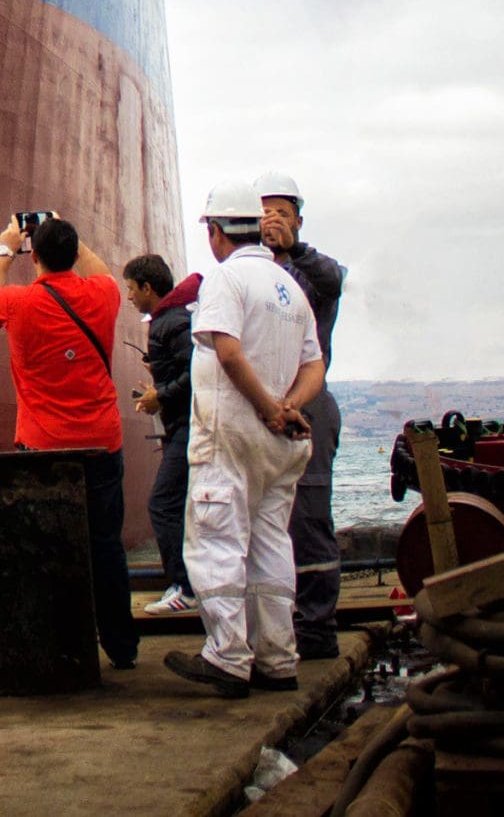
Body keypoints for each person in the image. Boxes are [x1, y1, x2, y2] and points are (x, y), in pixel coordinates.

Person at [164, 181, 325, 701]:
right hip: (280, 444)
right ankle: (278, 659)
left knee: (216, 542)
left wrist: (265, 408)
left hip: (231, 435)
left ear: (215, 232)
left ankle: (228, 656)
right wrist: (289, 409)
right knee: (271, 545)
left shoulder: (226, 281)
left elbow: (228, 354)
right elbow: (314, 365)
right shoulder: (289, 288)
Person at [0, 214, 139, 671]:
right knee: (106, 547)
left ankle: (59, 646)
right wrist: (67, 234)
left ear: (36, 257)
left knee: (44, 547)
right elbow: (102, 269)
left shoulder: (17, 303)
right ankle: (122, 647)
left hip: (42, 447)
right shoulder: (103, 294)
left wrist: (7, 248)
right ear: (73, 252)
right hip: (102, 444)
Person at [259, 172, 345, 661]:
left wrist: (296, 251)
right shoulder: (248, 270)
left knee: (309, 519)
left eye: (281, 213)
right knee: (269, 521)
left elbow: (335, 280)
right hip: (260, 407)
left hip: (307, 405)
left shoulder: (314, 272)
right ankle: (278, 622)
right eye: (264, 213)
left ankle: (317, 627)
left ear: (298, 221)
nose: (271, 221)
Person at [123, 254, 201, 616]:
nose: (129, 297)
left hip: (188, 429)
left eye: (131, 288)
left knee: (163, 504)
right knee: (182, 507)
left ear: (147, 288)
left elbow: (198, 372)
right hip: (183, 427)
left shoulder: (171, 322)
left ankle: (183, 587)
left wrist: (162, 394)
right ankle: (190, 584)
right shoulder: (171, 320)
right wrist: (160, 381)